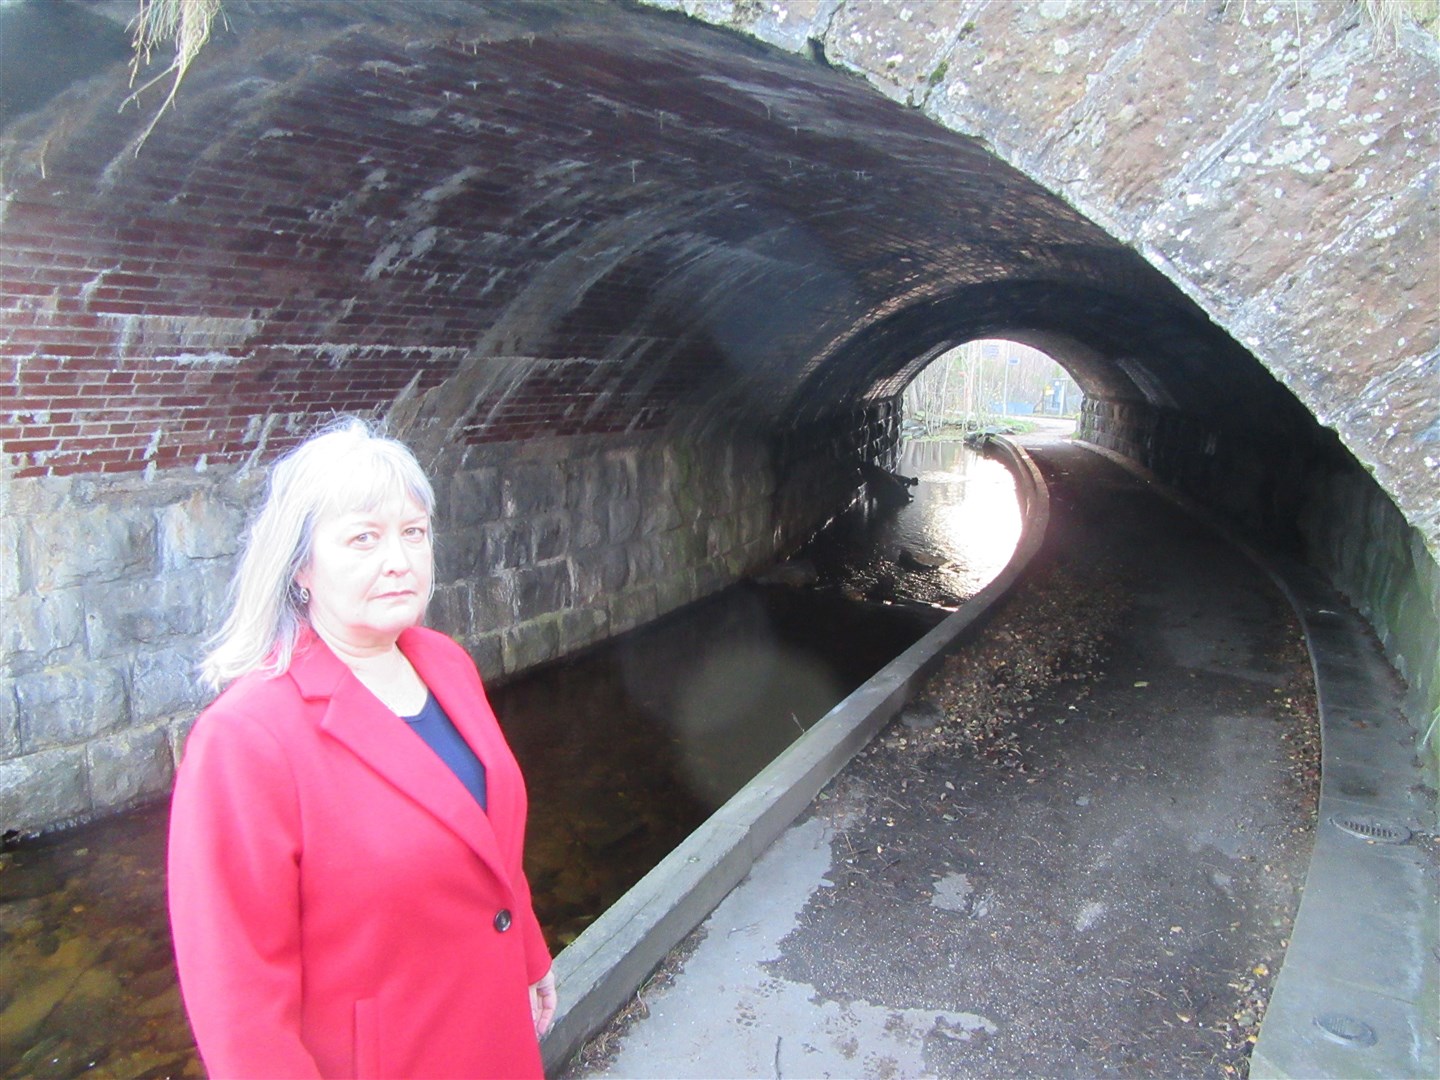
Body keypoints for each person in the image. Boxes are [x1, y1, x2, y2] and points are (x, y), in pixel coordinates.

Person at [167, 416, 557, 1079]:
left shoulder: (445, 664)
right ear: (301, 569)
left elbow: (486, 838)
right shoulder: (246, 738)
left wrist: (526, 950)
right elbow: (236, 996)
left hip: (493, 1038)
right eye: (363, 539)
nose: (399, 560)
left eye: (414, 533)